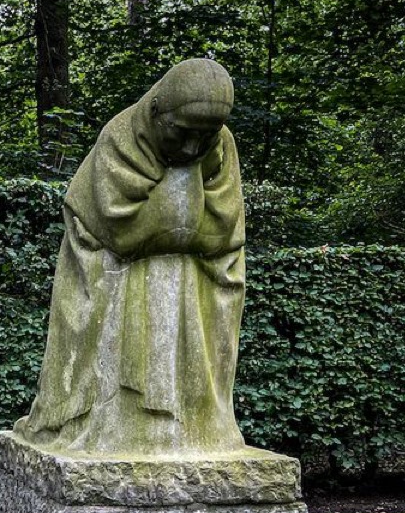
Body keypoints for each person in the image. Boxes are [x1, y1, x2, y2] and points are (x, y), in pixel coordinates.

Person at [16, 58, 246, 455]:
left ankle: (193, 425)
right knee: (151, 278)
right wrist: (181, 214)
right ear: (156, 112)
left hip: (193, 289)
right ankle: (121, 422)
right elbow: (120, 233)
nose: (192, 147)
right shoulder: (120, 139)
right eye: (183, 133)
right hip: (115, 281)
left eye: (205, 135)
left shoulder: (222, 147)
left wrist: (181, 217)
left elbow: (222, 233)